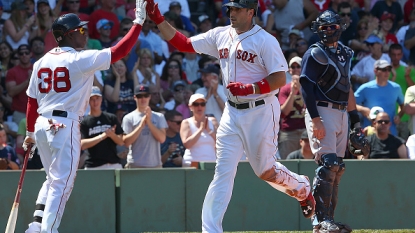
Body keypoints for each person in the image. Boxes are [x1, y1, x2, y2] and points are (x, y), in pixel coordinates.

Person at [145, 0, 316, 232]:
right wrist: (158, 20)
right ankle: (211, 229)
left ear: (250, 11)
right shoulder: (220, 34)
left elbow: (279, 79)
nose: (231, 12)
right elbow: (183, 43)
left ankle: (302, 187)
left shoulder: (265, 40)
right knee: (222, 172)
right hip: (232, 112)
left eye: (236, 9)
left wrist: (251, 88)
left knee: (265, 171)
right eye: (229, 8)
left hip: (260, 109)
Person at [23, 0, 147, 231]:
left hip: (42, 123)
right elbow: (121, 51)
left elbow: (31, 100)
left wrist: (30, 133)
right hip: (63, 123)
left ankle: (36, 226)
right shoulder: (78, 59)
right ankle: (48, 230)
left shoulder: (41, 62)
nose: (84, 32)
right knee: (62, 183)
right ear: (69, 35)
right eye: (80, 29)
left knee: (52, 179)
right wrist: (138, 22)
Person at [299, 10, 364, 233]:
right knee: (328, 165)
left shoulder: (346, 52)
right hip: (322, 109)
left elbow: (347, 87)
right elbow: (305, 85)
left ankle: (330, 220)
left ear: (341, 27)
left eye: (332, 26)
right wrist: (315, 119)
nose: (328, 31)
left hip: (342, 112)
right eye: (324, 27)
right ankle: (319, 221)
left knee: (338, 168)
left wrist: (355, 121)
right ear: (318, 29)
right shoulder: (315, 52)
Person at [355, 59, 405, 136]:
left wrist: (399, 116)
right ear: (375, 71)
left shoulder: (396, 88)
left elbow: (403, 106)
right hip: (370, 135)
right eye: (384, 69)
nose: (387, 72)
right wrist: (362, 109)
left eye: (389, 69)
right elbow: (349, 103)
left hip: (391, 134)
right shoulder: (365, 88)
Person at [122, 84, 167, 168]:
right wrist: (140, 126)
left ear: (149, 97)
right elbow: (126, 142)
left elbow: (162, 139)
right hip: (134, 165)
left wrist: (149, 122)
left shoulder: (159, 116)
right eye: (140, 96)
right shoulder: (128, 118)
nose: (143, 99)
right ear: (135, 97)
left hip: (155, 165)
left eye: (145, 96)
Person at [80, 86, 125, 169]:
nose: (95, 101)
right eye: (92, 99)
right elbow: (82, 144)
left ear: (101, 99)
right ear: (88, 101)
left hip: (113, 164)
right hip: (93, 166)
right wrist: (102, 136)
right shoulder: (84, 122)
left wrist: (112, 135)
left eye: (97, 98)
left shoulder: (111, 118)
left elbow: (121, 142)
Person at [180, 93, 218, 168]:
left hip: (211, 162)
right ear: (190, 107)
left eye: (202, 104)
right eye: (196, 104)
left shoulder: (213, 121)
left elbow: (221, 142)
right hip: (191, 163)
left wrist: (210, 131)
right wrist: (200, 130)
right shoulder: (186, 122)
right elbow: (187, 144)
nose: (199, 107)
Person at [6, 44, 33, 126]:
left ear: (31, 54)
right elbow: (11, 92)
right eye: (21, 53)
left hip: (37, 110)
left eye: (26, 53)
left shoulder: (37, 68)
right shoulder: (12, 72)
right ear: (18, 55)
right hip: (19, 112)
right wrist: (28, 81)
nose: (24, 55)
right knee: (21, 137)